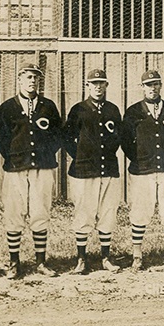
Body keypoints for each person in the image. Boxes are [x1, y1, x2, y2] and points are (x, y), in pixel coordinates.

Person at [0, 62, 63, 279]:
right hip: (16, 168)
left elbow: (57, 135)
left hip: (42, 167)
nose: (32, 81)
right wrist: (15, 156)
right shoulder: (7, 108)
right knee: (14, 213)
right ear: (19, 80)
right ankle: (14, 262)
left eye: (35, 77)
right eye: (28, 77)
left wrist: (45, 154)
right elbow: (0, 138)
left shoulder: (48, 106)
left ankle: (41, 262)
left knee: (40, 211)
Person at [121, 70, 164, 271]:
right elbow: (125, 142)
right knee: (140, 211)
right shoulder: (133, 112)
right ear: (142, 87)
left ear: (161, 86)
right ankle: (137, 255)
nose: (153, 88)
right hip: (142, 170)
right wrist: (141, 158)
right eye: (148, 85)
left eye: (156, 84)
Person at [62, 69, 123, 275]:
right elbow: (67, 138)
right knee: (84, 213)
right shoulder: (78, 109)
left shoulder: (113, 110)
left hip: (109, 169)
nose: (98, 87)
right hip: (83, 170)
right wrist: (81, 156)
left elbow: (118, 137)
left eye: (101, 83)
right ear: (87, 86)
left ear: (107, 85)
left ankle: (105, 257)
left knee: (107, 213)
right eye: (93, 83)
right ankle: (81, 259)